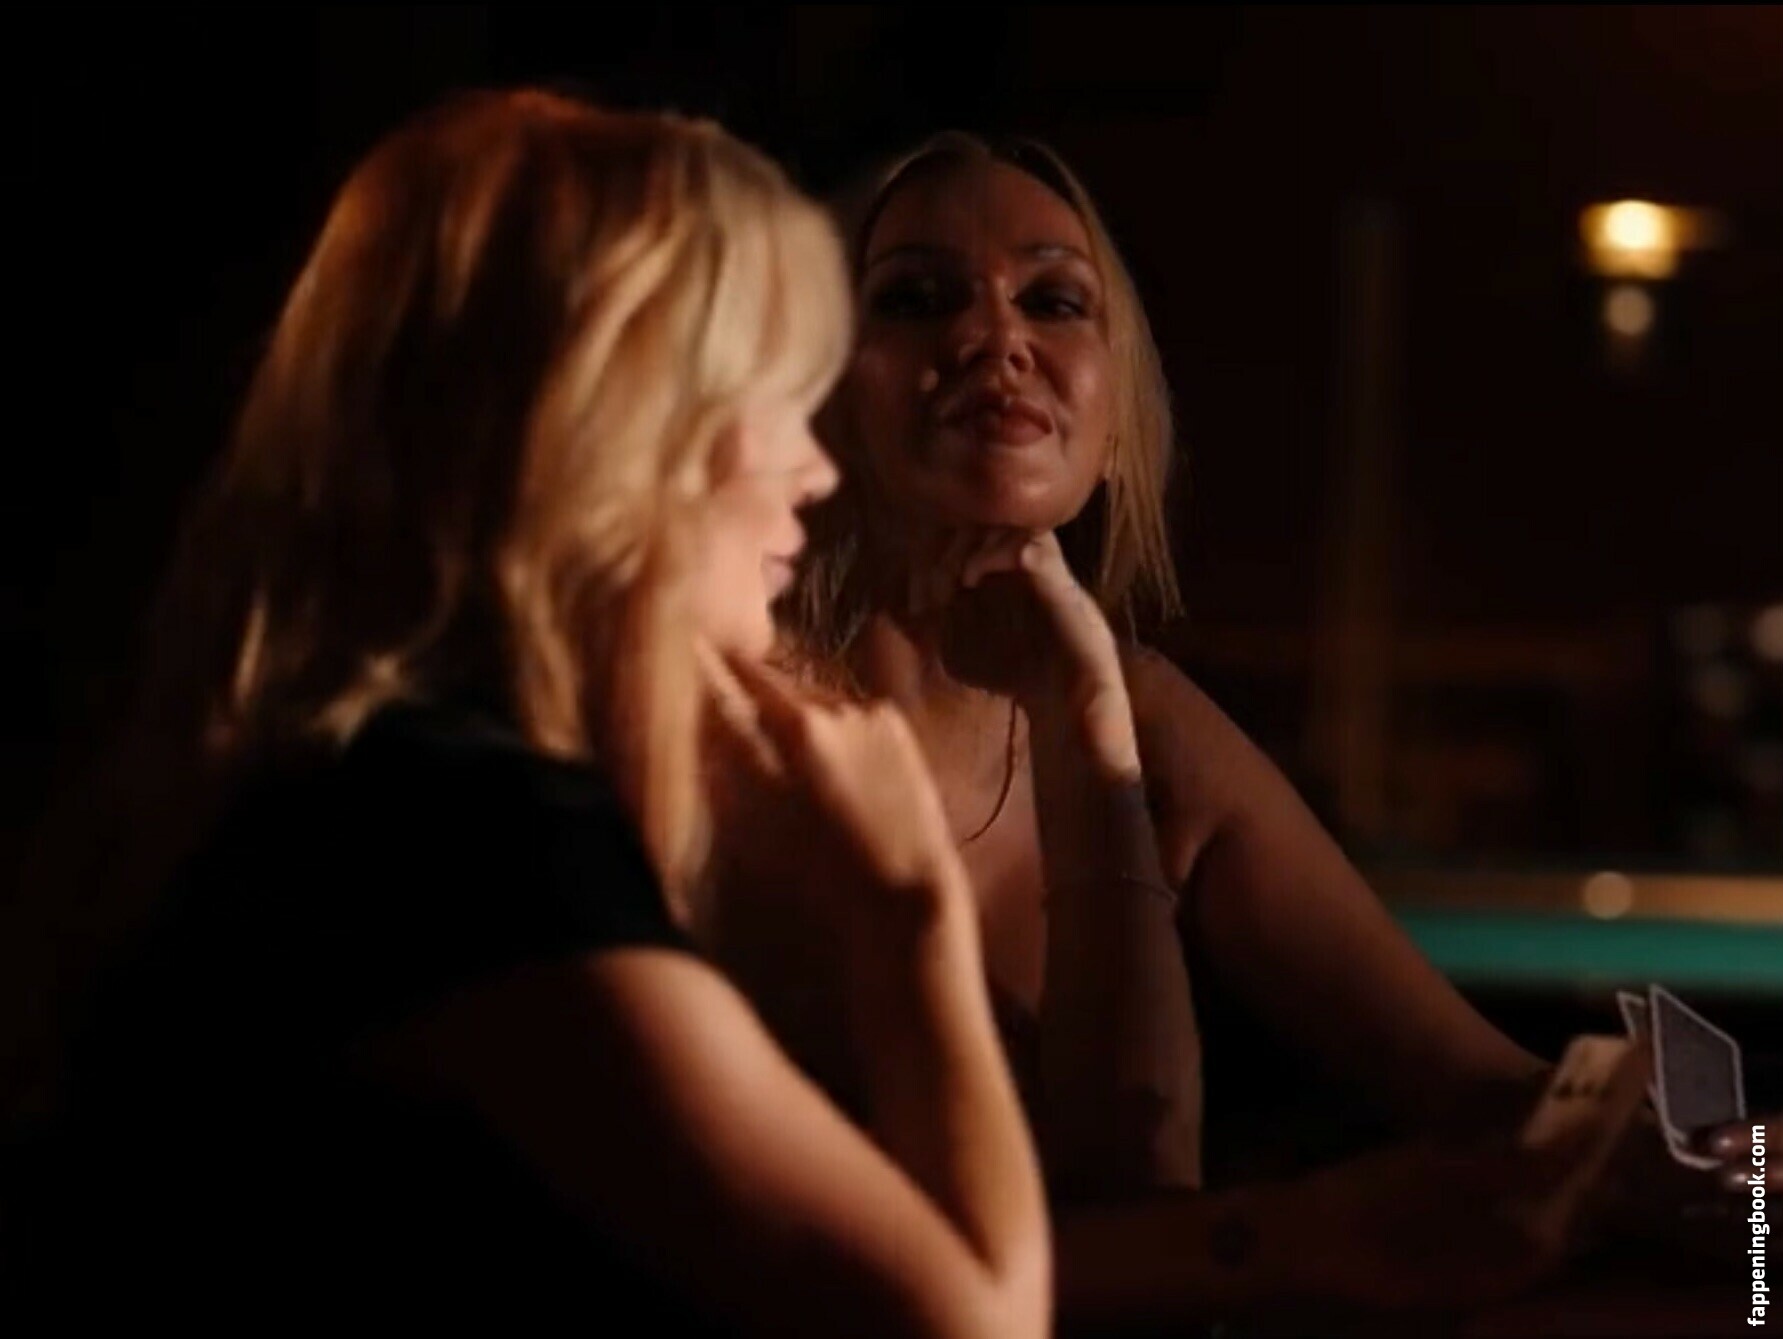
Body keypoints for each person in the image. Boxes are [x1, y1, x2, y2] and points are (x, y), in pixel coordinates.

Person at [2, 95, 1049, 1336]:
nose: (814, 470)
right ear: (624, 430)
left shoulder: (346, 776)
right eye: (773, 402)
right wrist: (911, 907)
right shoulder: (467, 838)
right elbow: (976, 1323)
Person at [759, 130, 1767, 1328]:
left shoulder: (1144, 711)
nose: (995, 336)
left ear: (1117, 417)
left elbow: (1475, 1088)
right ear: (816, 388)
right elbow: (1060, 1226)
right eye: (918, 298)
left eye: (1054, 300)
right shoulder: (737, 731)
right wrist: (1298, 1233)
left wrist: (1711, 1164)